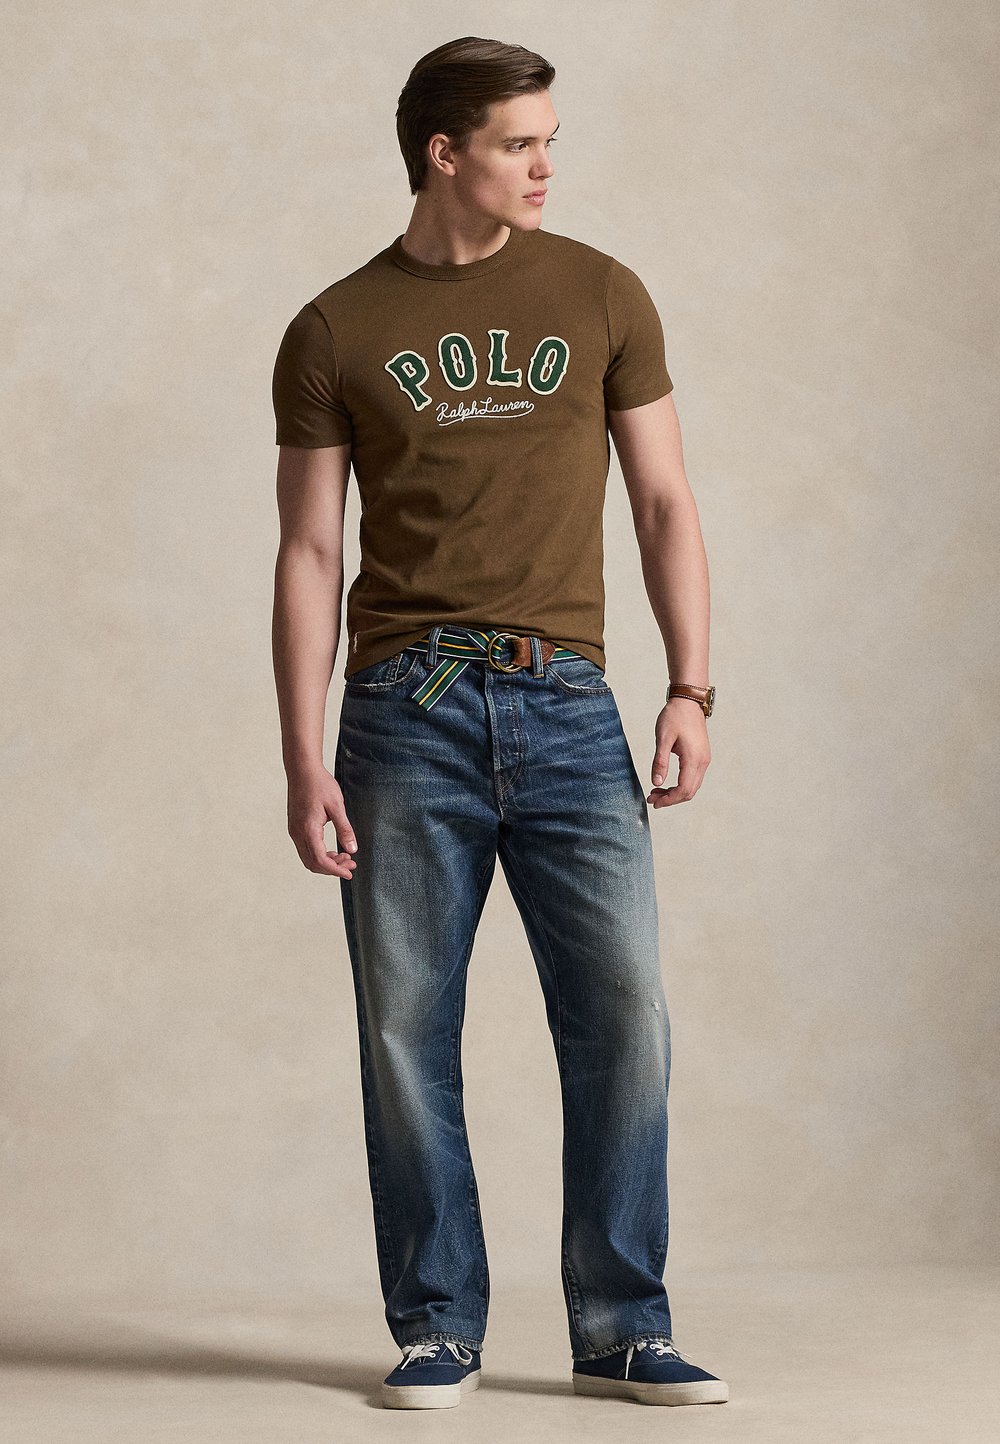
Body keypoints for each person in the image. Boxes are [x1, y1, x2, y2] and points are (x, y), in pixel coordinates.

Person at [270, 35, 725, 1412]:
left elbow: (663, 501)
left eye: (549, 142)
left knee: (625, 1017)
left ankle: (623, 1323)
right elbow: (309, 551)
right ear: (443, 151)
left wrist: (691, 684)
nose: (544, 166)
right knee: (407, 1029)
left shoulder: (602, 292)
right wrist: (301, 756)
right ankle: (436, 1323)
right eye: (521, 143)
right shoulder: (336, 328)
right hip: (403, 715)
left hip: (570, 703)